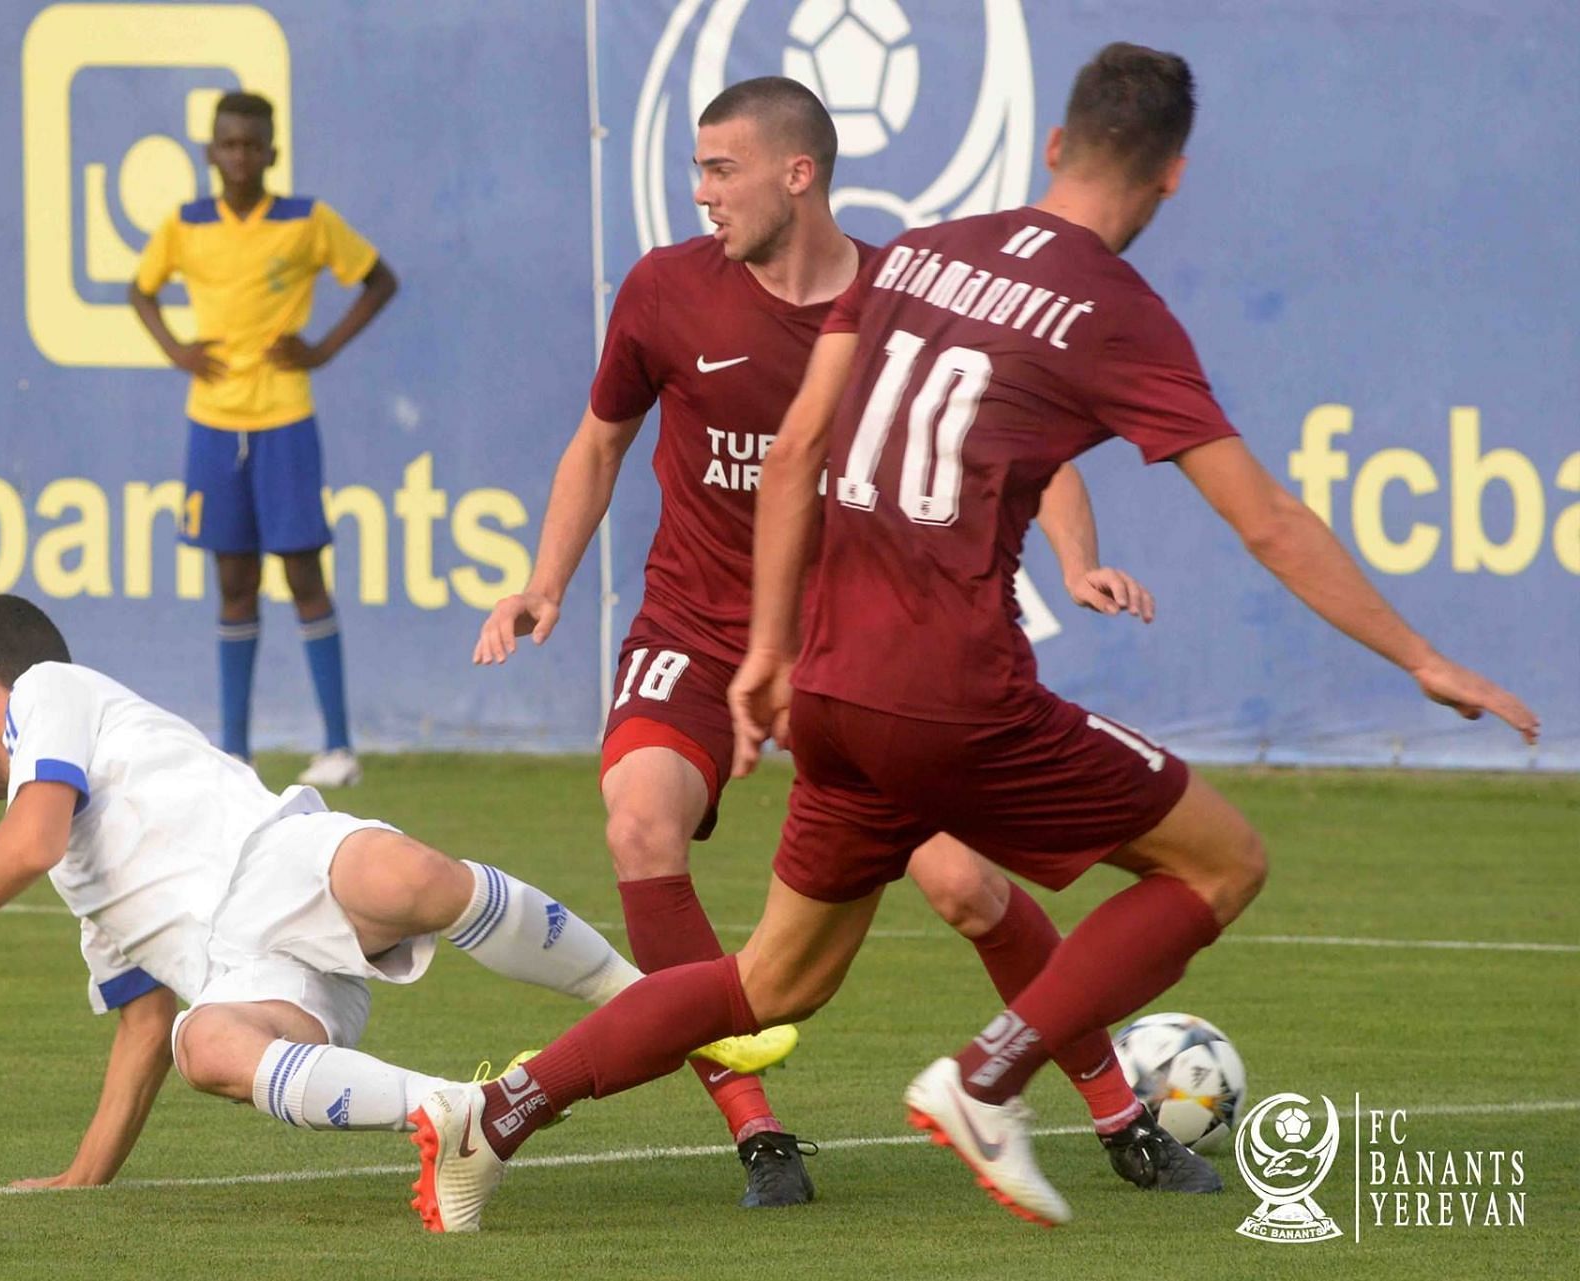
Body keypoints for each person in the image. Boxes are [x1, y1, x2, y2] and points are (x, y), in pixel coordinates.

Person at [406, 44, 1540, 1233]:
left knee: (772, 979)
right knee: (1222, 862)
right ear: (1169, 182)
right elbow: (1266, 519)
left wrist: (772, 653)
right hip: (951, 688)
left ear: (1055, 147)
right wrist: (1420, 658)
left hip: (830, 687)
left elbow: (797, 453)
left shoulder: (931, 254)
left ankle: (498, 1112)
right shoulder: (1114, 310)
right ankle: (989, 1077)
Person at [473, 75, 1189, 1211]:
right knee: (640, 818)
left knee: (963, 887)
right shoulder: (663, 291)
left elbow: (1011, 443)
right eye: (697, 169)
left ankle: (1119, 1115)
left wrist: (1072, 559)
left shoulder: (905, 290)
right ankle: (756, 1130)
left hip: (853, 651)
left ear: (797, 174)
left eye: (721, 170)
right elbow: (599, 443)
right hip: (699, 633)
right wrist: (542, 582)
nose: (699, 192)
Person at [0, 595, 779, 1189]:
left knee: (412, 877)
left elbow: (29, 833)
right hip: (251, 974)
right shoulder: (80, 876)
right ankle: (471, 1111)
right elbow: (139, 1030)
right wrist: (78, 1182)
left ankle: (650, 1005)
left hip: (278, 853)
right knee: (197, 1043)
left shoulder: (51, 691)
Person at [130, 90, 398, 788]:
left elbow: (378, 280)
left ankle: (338, 747)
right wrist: (178, 351)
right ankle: (236, 750)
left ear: (272, 153)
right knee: (233, 582)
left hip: (284, 417)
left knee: (304, 573)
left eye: (253, 145)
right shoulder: (186, 226)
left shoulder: (305, 221)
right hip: (215, 423)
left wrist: (324, 349)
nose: (240, 156)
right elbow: (141, 291)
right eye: (229, 144)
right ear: (210, 153)